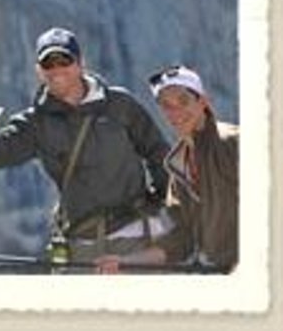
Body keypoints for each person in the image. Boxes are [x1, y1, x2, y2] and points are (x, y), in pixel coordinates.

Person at [0, 27, 171, 270]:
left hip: (137, 241)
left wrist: (167, 209)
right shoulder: (36, 124)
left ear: (80, 64)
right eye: (48, 64)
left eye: (64, 61)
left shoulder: (120, 105)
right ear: (39, 71)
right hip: (82, 249)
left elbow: (159, 154)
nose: (57, 69)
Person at [97, 64, 239, 274]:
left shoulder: (233, 143)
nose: (176, 111)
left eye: (183, 101)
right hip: (215, 274)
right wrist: (124, 261)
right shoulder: (177, 165)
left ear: (202, 101)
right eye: (166, 105)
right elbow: (182, 239)